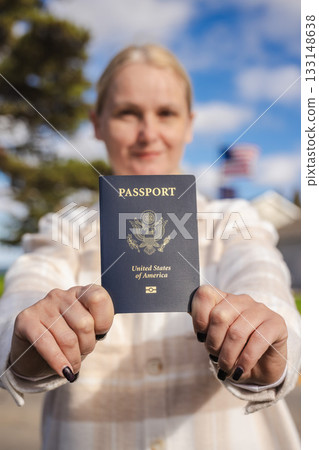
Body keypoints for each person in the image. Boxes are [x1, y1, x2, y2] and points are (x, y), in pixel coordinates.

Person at [0, 44, 300, 449]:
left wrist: (269, 336)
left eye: (166, 113)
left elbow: (265, 281)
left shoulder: (234, 221)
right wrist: (25, 338)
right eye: (127, 113)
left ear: (189, 125)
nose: (148, 134)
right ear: (97, 123)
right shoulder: (63, 229)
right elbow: (20, 301)